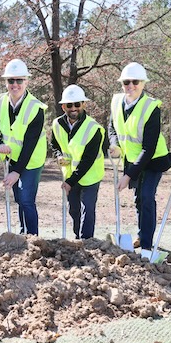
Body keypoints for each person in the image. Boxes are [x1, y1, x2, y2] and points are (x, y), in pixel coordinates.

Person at [108, 62, 171, 251]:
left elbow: (149, 148)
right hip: (132, 159)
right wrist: (114, 144)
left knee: (146, 196)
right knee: (138, 199)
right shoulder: (116, 102)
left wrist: (128, 176)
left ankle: (146, 245)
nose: (130, 86)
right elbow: (112, 127)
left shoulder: (152, 107)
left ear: (143, 83)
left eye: (135, 82)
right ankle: (142, 234)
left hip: (153, 160)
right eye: (126, 82)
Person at [0, 59, 47, 235]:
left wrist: (16, 172)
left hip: (32, 160)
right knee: (19, 199)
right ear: (5, 82)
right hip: (11, 157)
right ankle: (23, 234)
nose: (15, 84)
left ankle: (33, 239)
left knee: (27, 199)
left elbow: (29, 144)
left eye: (19, 80)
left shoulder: (36, 108)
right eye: (10, 80)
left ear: (26, 81)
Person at [51, 85, 104, 239]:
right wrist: (59, 155)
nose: (73, 108)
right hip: (69, 174)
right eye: (69, 105)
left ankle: (86, 242)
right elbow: (54, 144)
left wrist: (70, 181)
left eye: (77, 104)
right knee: (74, 210)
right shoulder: (57, 124)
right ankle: (77, 239)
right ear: (63, 107)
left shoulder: (94, 128)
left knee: (87, 208)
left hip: (90, 175)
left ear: (83, 105)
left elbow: (87, 160)